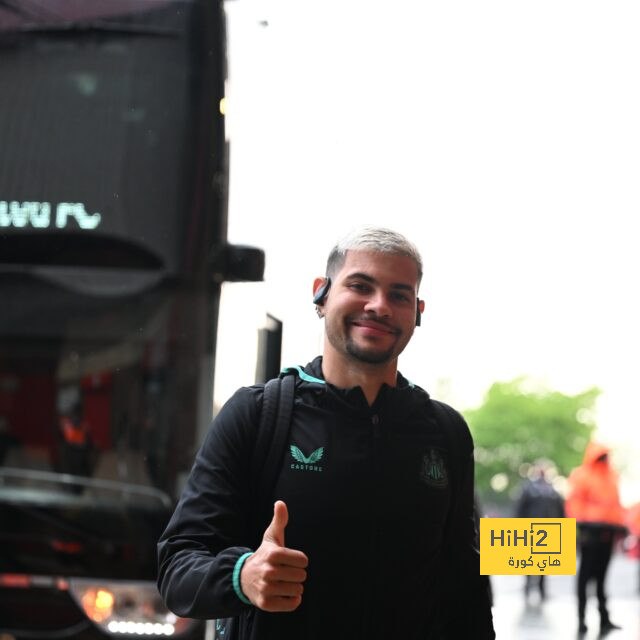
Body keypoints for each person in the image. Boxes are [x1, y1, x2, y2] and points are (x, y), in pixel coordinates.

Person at [157, 226, 495, 639]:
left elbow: (465, 587)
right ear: (321, 293)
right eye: (361, 285)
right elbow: (177, 565)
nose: (379, 306)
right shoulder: (256, 415)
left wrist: (564, 542)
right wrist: (242, 576)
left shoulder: (446, 433)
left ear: (417, 312)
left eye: (399, 295)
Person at [566, 442, 626, 635]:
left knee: (601, 578)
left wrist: (621, 525)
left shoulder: (612, 476)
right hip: (590, 534)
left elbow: (616, 505)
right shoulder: (582, 475)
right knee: (585, 578)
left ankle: (604, 619)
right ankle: (581, 618)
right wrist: (581, 526)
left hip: (608, 534)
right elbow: (575, 502)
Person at [514, 460, 565, 603]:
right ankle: (528, 588)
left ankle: (542, 590)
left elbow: (561, 511)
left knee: (544, 563)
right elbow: (520, 510)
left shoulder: (552, 491)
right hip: (530, 529)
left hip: (548, 530)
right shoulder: (529, 489)